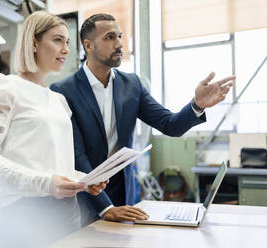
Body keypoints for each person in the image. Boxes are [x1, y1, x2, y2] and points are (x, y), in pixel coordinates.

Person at [50, 13, 235, 226]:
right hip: (84, 199)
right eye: (110, 37)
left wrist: (198, 104)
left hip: (126, 192)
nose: (120, 44)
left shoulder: (132, 85)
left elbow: (170, 125)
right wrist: (105, 207)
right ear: (89, 46)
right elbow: (76, 155)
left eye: (119, 36)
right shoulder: (63, 91)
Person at [0, 11, 107, 247]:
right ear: (33, 42)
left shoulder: (57, 100)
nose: (65, 49)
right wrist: (45, 183)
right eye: (57, 40)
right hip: (27, 214)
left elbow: (52, 165)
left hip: (68, 212)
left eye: (67, 42)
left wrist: (83, 180)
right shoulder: (4, 88)